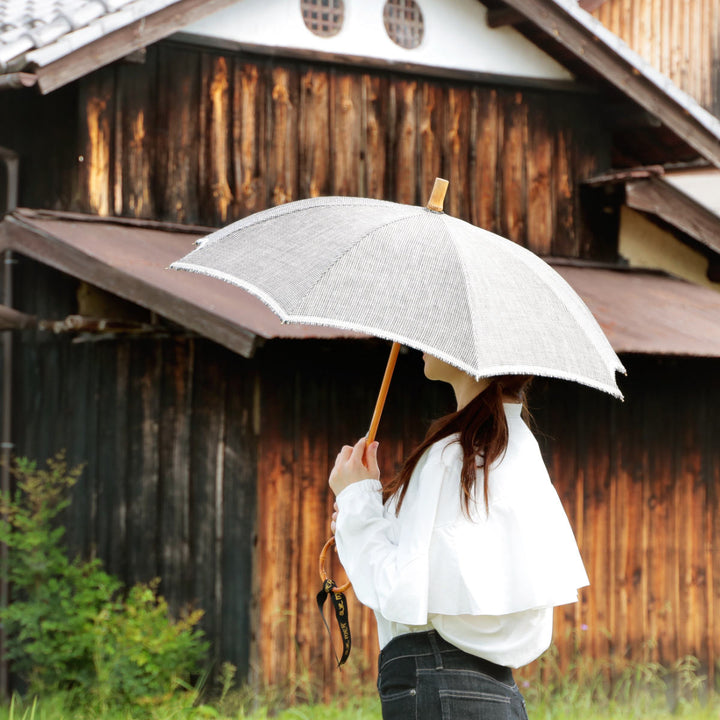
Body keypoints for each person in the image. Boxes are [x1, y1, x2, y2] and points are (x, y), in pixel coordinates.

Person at [328, 352, 589, 720]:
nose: (422, 343)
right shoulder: (517, 448)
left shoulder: (455, 456)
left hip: (436, 684)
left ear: (471, 349)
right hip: (495, 694)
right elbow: (435, 579)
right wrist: (363, 511)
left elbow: (404, 592)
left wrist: (356, 502)